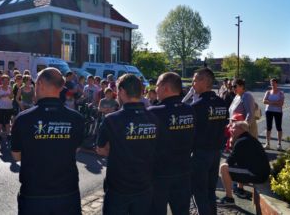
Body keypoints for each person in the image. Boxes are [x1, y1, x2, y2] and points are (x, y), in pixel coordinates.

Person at [11, 68, 85, 215]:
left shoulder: (23, 119)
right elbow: (76, 149)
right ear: (60, 87)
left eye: (35, 83)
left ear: (41, 84)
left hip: (34, 194)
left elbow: (16, 156)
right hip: (67, 192)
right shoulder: (76, 118)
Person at [96, 74, 158, 215]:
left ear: (122, 91)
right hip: (145, 184)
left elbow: (101, 150)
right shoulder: (154, 117)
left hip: (118, 187)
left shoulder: (111, 119)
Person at [149, 72, 195, 215]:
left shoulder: (153, 112)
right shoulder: (190, 110)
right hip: (184, 171)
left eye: (157, 85)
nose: (155, 89)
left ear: (165, 87)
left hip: (159, 174)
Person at [190, 68, 228, 215]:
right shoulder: (221, 103)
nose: (192, 83)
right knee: (210, 190)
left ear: (204, 81)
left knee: (199, 191)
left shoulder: (196, 106)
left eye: (195, 80)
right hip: (216, 152)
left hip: (200, 153)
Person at [218, 121, 270, 205]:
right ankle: (239, 189)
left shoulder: (241, 141)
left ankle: (229, 198)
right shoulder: (248, 138)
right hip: (261, 174)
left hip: (257, 175)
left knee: (223, 168)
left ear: (241, 129)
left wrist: (231, 142)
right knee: (238, 164)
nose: (230, 129)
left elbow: (229, 162)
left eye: (233, 127)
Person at [263, 78, 284, 150]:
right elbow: (264, 101)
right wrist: (275, 102)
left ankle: (279, 144)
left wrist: (270, 102)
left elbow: (281, 104)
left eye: (274, 83)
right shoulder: (268, 92)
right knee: (268, 127)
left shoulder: (281, 93)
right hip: (269, 111)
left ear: (277, 84)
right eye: (271, 83)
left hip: (278, 112)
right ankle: (267, 143)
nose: (273, 84)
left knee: (279, 127)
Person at [0, 75, 13, 140]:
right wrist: (2, 95)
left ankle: (8, 134)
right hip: (0, 106)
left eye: (7, 80)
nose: (6, 82)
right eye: (4, 80)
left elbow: (12, 97)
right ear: (2, 81)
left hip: (8, 106)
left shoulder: (10, 88)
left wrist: (9, 95)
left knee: (7, 121)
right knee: (0, 121)